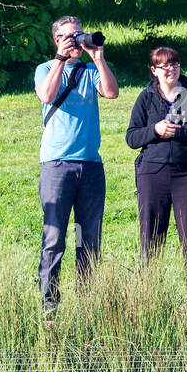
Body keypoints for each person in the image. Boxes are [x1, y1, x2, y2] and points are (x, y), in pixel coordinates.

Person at [34, 16, 119, 310]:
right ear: (57, 40)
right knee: (54, 236)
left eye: (80, 34)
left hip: (91, 166)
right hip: (57, 167)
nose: (78, 40)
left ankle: (88, 302)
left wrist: (98, 58)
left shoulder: (89, 70)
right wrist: (60, 59)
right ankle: (49, 303)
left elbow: (111, 92)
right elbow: (46, 94)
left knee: (89, 238)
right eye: (72, 36)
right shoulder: (44, 69)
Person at [125, 46, 187, 281]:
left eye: (174, 64)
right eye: (165, 66)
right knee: (151, 241)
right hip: (152, 174)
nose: (171, 70)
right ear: (154, 70)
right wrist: (156, 130)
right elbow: (132, 137)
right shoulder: (145, 98)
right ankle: (150, 301)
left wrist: (180, 132)